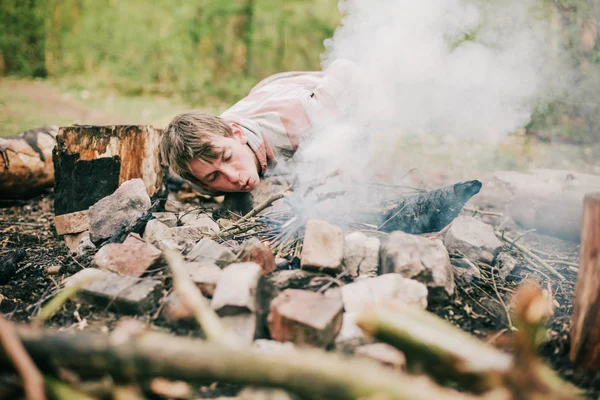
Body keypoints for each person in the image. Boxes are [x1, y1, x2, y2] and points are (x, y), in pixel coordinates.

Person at [159, 59, 356, 196]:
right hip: (260, 96)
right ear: (205, 185)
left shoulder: (301, 118)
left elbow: (346, 69)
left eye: (227, 157)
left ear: (237, 134)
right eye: (213, 176)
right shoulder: (203, 175)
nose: (233, 177)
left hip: (296, 88)